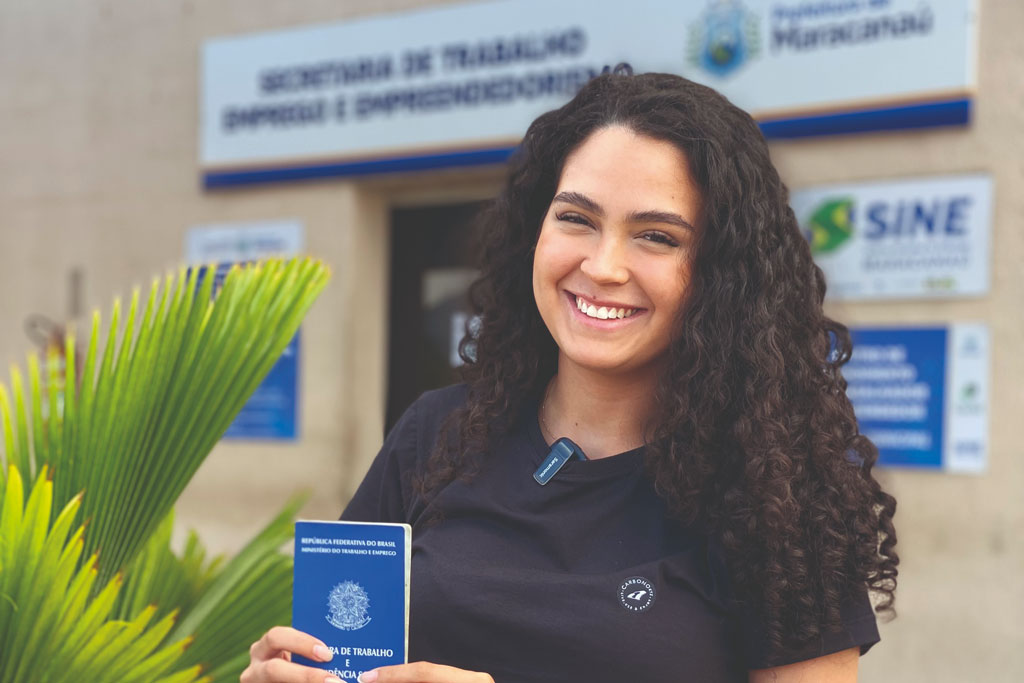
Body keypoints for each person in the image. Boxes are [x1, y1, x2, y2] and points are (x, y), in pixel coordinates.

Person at [242, 70, 899, 683]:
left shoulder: (780, 488)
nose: (604, 265)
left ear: (722, 275)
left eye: (657, 236)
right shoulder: (434, 435)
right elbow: (340, 651)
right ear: (537, 229)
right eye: (576, 219)